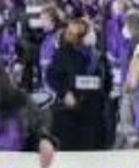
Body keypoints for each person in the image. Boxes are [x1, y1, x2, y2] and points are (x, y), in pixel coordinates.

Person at [46, 18, 110, 150]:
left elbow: (107, 80)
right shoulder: (63, 54)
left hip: (95, 113)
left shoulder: (99, 56)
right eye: (88, 32)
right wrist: (65, 93)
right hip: (71, 113)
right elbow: (52, 76)